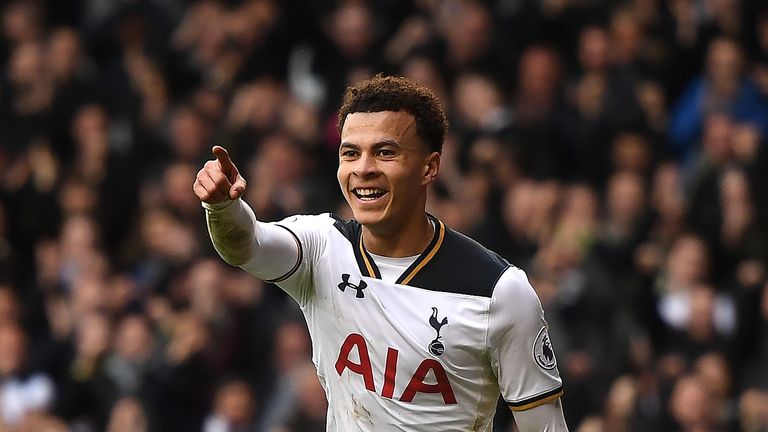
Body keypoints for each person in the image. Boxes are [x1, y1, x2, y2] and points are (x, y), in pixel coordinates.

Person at [194, 75, 568, 431]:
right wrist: (223, 208)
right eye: (350, 153)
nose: (363, 169)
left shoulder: (499, 292)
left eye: (385, 152)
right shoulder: (321, 247)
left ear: (429, 167)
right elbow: (247, 245)